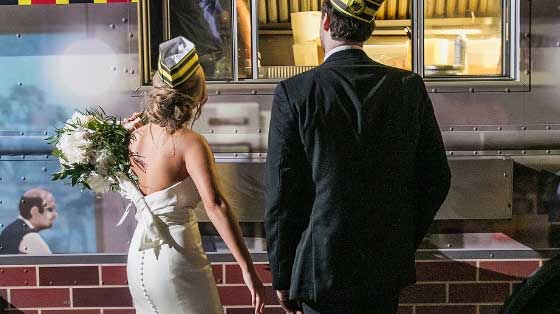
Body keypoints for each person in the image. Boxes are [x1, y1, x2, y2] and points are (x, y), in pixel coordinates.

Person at [263, 0, 452, 313]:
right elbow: (436, 178)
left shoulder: (295, 92)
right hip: (383, 267)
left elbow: (282, 195)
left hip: (318, 270)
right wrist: (399, 238)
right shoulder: (408, 87)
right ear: (369, 28)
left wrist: (283, 274)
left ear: (324, 22)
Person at [123, 36, 265, 314]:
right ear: (199, 91)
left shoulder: (134, 135)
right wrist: (247, 268)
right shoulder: (190, 142)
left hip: (139, 257)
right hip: (176, 258)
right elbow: (215, 205)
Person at [0, 188, 58, 255]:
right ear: (35, 212)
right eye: (50, 209)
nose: (55, 214)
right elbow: (50, 263)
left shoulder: (9, 230)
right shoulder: (30, 237)